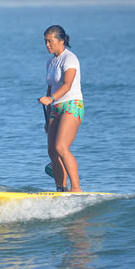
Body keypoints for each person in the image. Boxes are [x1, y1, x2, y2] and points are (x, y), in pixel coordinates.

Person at [39, 25, 84, 192]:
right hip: (56, 108)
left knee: (61, 147)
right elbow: (51, 88)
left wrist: (51, 98)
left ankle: (76, 189)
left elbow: (67, 85)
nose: (47, 45)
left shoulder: (69, 59)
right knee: (52, 151)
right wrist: (48, 114)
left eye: (50, 41)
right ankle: (61, 189)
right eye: (45, 41)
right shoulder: (50, 62)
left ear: (61, 40)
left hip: (72, 105)